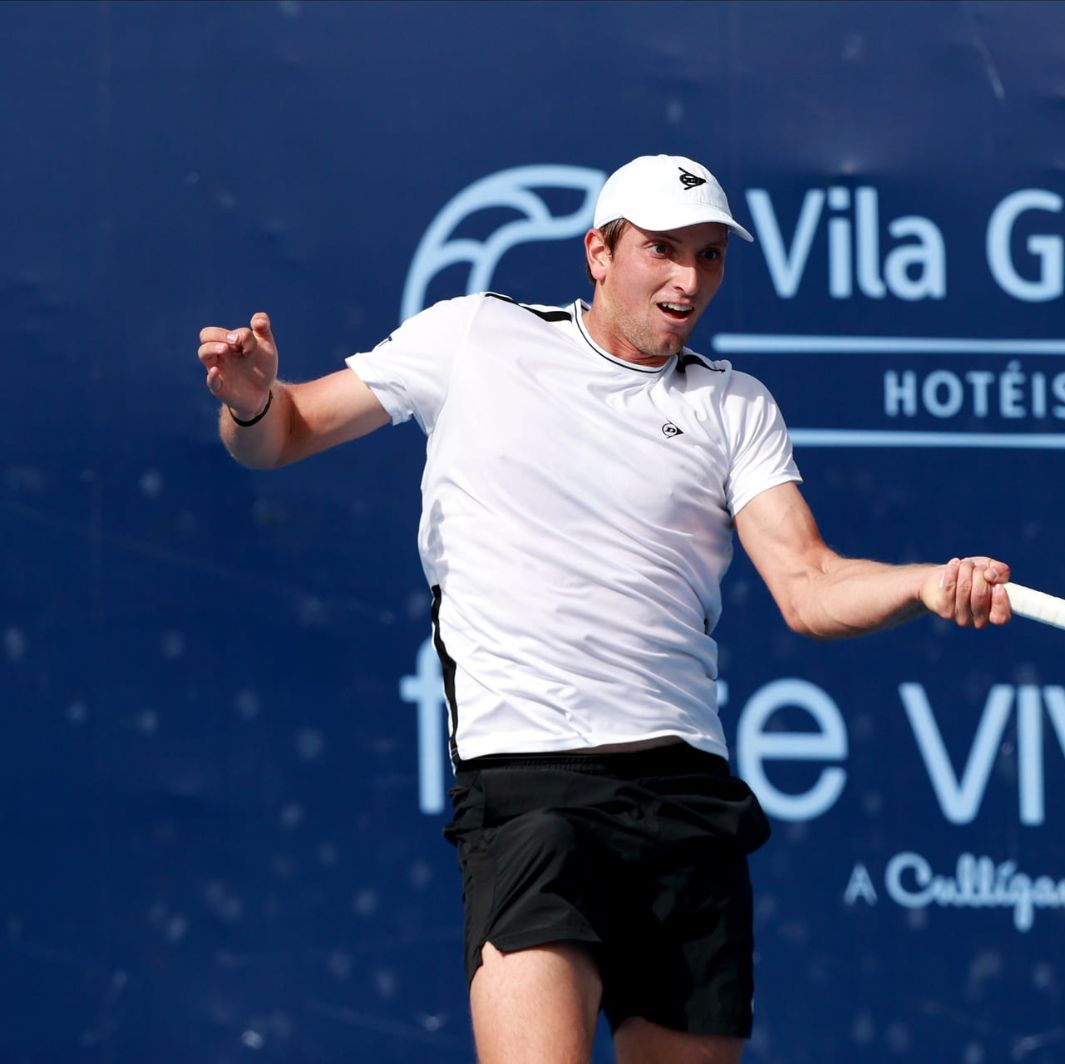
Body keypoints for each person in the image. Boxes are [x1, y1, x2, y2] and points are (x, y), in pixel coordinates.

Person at [196, 154, 1012, 1064]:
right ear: (598, 251)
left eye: (708, 256)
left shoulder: (735, 406)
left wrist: (926, 584)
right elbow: (285, 433)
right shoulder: (475, 338)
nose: (687, 280)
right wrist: (255, 399)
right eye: (662, 250)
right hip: (530, 796)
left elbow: (810, 587)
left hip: (686, 799)